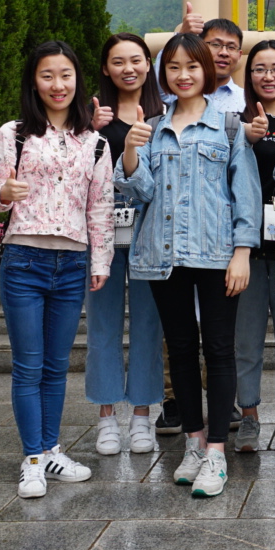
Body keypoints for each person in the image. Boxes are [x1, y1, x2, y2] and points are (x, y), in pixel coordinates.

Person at [116, 33, 262, 498]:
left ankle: (217, 451)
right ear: (164, 74)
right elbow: (139, 193)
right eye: (174, 67)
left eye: (192, 66)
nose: (183, 75)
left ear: (207, 71)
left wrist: (243, 252)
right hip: (164, 255)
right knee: (179, 350)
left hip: (217, 254)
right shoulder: (153, 127)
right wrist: (131, 150)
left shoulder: (229, 126)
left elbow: (246, 194)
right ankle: (194, 443)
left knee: (218, 349)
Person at [0, 40, 111, 500]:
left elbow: (99, 208)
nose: (57, 84)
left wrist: (100, 261)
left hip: (72, 262)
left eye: (65, 75)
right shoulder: (14, 134)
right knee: (29, 365)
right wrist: (4, 193)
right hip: (24, 260)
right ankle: (33, 460)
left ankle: (51, 449)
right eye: (47, 75)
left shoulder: (95, 143)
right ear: (33, 81)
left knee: (57, 366)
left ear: (77, 80)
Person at [85, 35, 167, 458]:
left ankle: (141, 416)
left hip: (149, 229)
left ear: (149, 64)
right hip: (101, 230)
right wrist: (89, 132)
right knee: (103, 325)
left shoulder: (165, 114)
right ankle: (106, 418)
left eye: (136, 60)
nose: (128, 68)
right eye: (118, 61)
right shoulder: (90, 116)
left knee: (149, 325)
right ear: (105, 68)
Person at [232, 39, 275, 453]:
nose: (268, 76)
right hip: (244, 248)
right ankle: (249, 416)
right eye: (260, 68)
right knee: (246, 339)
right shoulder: (234, 121)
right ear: (249, 75)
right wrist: (245, 137)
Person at [167, 2, 248, 114]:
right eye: (216, 44)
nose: (224, 53)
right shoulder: (179, 88)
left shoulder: (246, 101)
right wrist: (182, 36)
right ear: (200, 47)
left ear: (239, 55)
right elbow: (156, 81)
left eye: (231, 47)